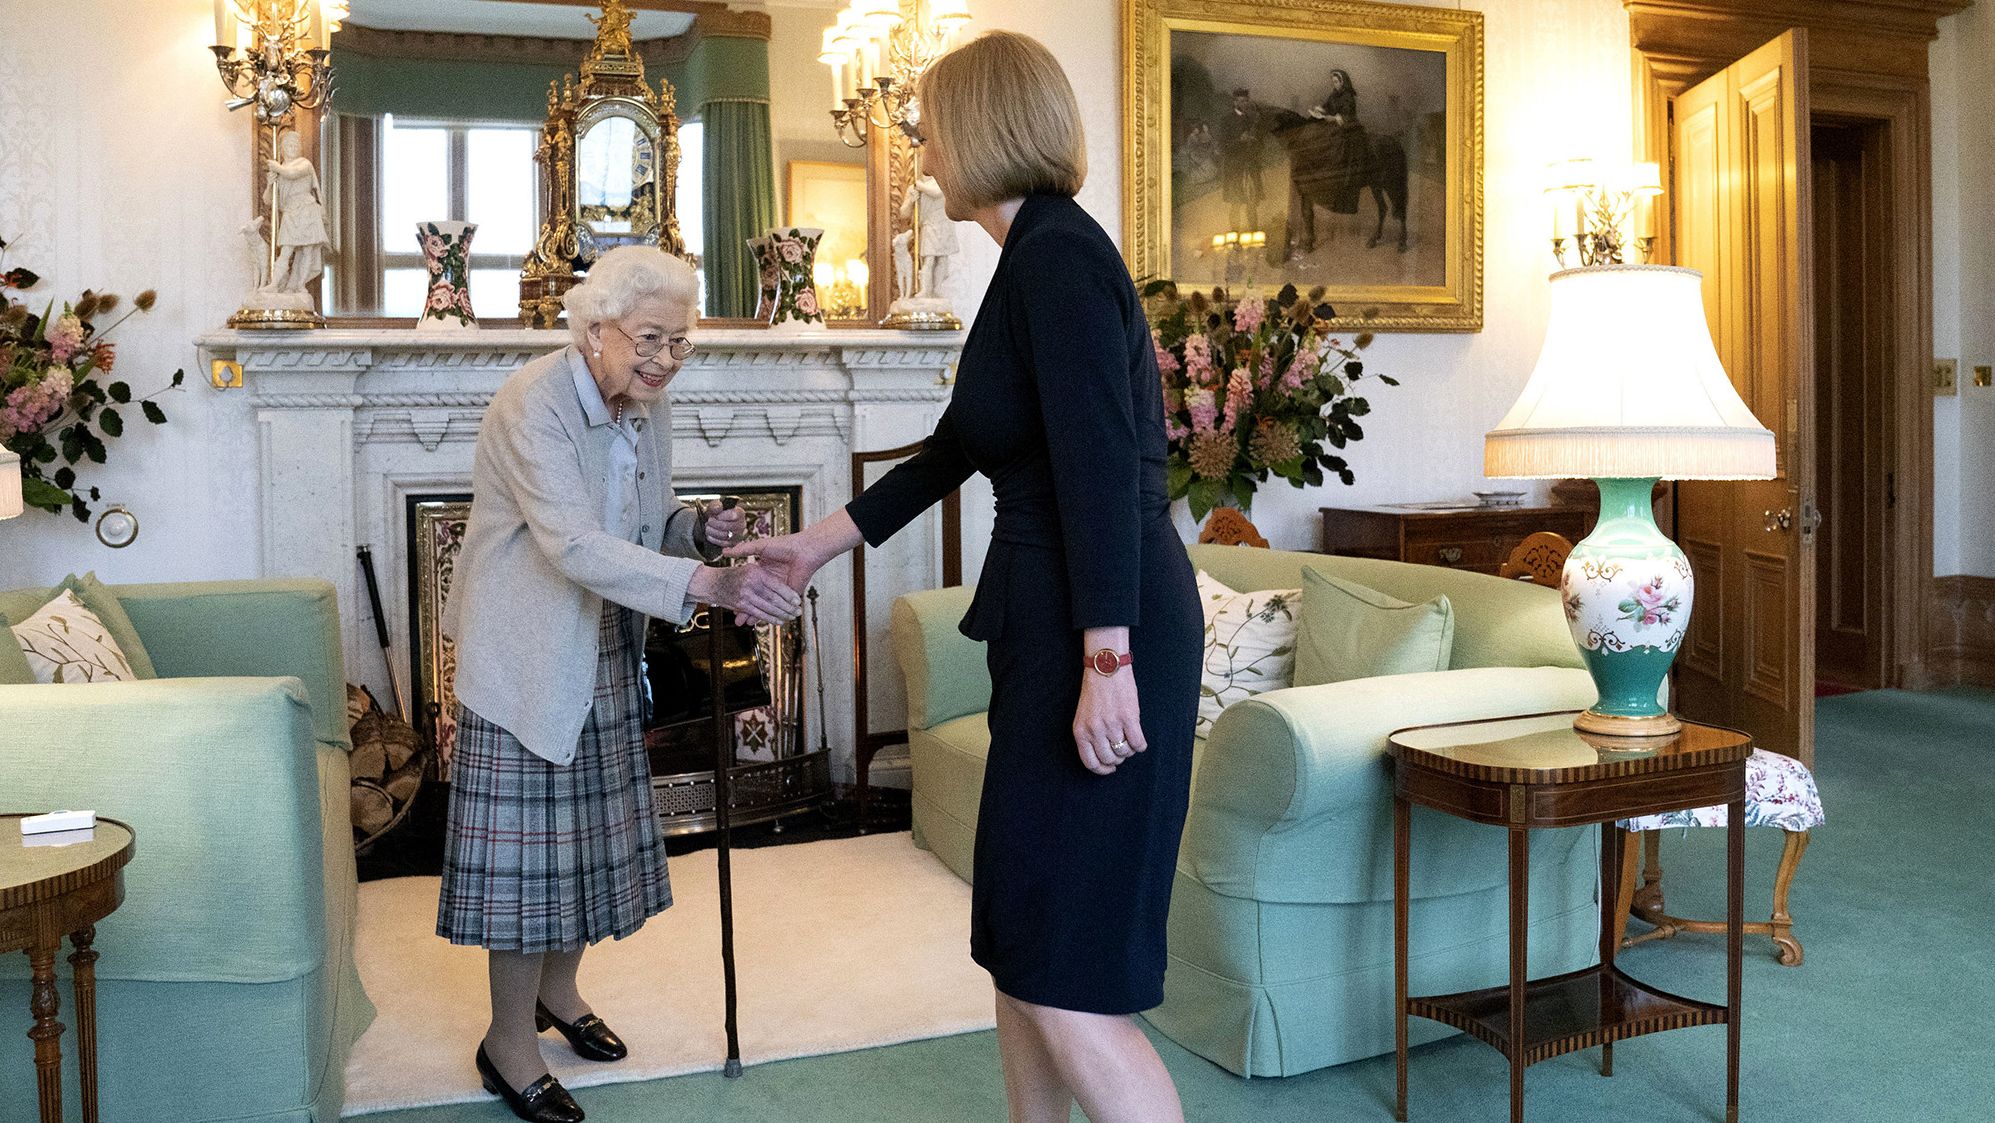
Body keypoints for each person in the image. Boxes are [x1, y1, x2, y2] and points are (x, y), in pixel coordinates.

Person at [729, 31, 1201, 1123]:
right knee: (1025, 938)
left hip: (1103, 627)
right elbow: (956, 446)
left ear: (984, 126)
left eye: (931, 121)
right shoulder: (1029, 256)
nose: (919, 141)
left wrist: (1109, 658)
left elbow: (1097, 473)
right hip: (1056, 627)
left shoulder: (1060, 259)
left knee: (1069, 966)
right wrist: (815, 543)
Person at [437, 246, 802, 1123]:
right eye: (650, 338)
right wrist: (707, 586)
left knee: (583, 849)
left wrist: (693, 530)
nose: (665, 359)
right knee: (528, 868)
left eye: (680, 342)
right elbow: (570, 543)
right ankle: (506, 1044)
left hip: (602, 640)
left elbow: (638, 524)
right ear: (593, 329)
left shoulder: (645, 405)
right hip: (526, 651)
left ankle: (557, 996)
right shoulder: (533, 404)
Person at [262, 130, 329, 294]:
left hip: (307, 210)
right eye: (288, 145)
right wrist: (270, 184)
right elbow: (268, 201)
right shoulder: (281, 169)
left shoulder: (304, 164)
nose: (292, 148)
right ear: (283, 148)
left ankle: (299, 285)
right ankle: (275, 284)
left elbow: (293, 174)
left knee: (307, 250)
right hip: (291, 212)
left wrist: (277, 168)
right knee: (286, 250)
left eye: (295, 145)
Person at [1216, 87, 1266, 230]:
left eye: (1246, 101)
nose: (1245, 104)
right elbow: (1223, 146)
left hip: (1250, 167)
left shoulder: (1252, 120)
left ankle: (1254, 233)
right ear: (1235, 102)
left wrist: (1255, 141)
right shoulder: (1226, 120)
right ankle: (1235, 236)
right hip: (1234, 168)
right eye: (1241, 101)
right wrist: (1240, 140)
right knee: (1235, 203)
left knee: (1252, 203)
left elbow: (1260, 145)